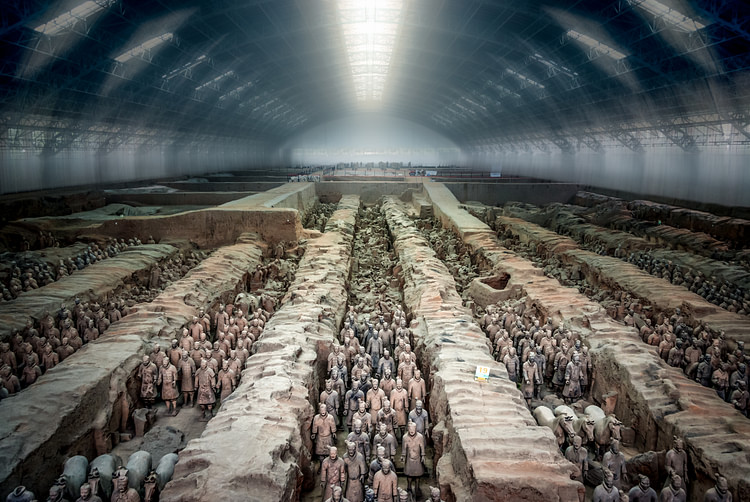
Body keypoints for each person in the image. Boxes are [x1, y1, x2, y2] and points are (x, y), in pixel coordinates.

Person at [401, 421, 426, 497]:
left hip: (417, 458)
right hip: (409, 459)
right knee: (409, 475)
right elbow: (404, 449)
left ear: (416, 429)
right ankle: (409, 488)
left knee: (418, 475)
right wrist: (403, 456)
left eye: (413, 429)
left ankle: (417, 488)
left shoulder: (420, 437)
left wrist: (423, 456)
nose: (412, 431)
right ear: (408, 429)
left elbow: (422, 447)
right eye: (410, 429)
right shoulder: (405, 437)